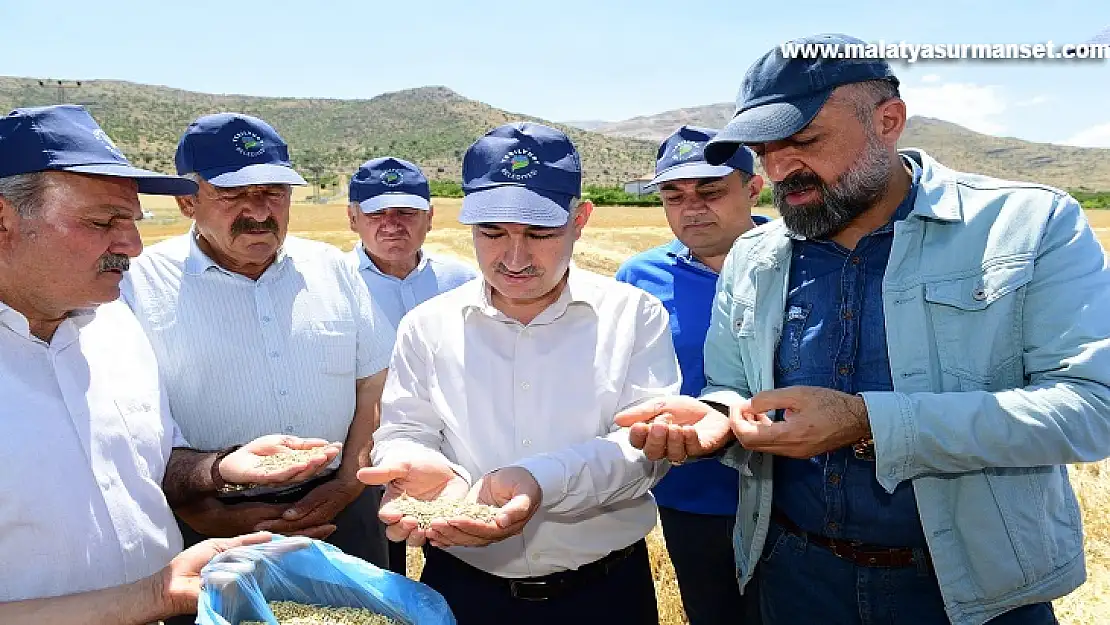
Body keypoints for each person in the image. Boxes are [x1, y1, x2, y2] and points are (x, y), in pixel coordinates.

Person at [615, 33, 1110, 625]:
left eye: (802, 141)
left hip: (974, 594)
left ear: (889, 121)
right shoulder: (754, 254)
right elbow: (731, 384)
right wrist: (719, 417)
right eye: (764, 149)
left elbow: (1092, 408)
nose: (778, 169)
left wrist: (866, 422)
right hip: (794, 583)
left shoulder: (1027, 225)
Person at [0, 104, 331, 623]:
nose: (131, 245)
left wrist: (219, 470)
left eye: (131, 221)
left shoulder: (115, 328)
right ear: (4, 219)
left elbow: (150, 466)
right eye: (102, 222)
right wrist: (147, 598)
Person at [358, 122, 682, 625]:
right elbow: (406, 428)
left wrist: (540, 481)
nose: (514, 257)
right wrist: (414, 463)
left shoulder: (633, 314)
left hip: (605, 593)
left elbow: (642, 450)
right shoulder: (427, 324)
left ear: (581, 219)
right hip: (464, 590)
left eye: (539, 233)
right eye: (492, 233)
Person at [121, 113, 396, 574]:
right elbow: (129, 421)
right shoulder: (138, 285)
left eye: (274, 193)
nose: (260, 212)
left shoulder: (334, 268)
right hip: (207, 520)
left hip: (344, 510)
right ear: (187, 202)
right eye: (233, 195)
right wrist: (200, 509)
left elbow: (375, 381)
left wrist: (348, 483)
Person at [614, 125, 766, 625]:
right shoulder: (638, 278)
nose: (692, 208)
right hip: (694, 497)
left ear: (754, 188)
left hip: (797, 495)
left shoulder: (807, 259)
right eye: (674, 195)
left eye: (710, 191)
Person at [346, 155, 478, 576]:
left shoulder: (466, 282)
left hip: (454, 449)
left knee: (460, 555)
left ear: (430, 218)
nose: (392, 224)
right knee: (378, 569)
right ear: (353, 218)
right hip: (362, 456)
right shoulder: (330, 282)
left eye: (406, 212)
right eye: (376, 213)